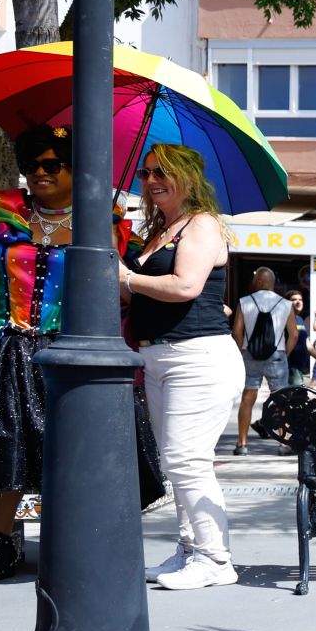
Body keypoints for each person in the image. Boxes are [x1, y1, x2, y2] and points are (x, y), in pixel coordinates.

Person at [0, 125, 159, 579]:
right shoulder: (4, 212)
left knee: (75, 451)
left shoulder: (101, 221)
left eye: (51, 165)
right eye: (31, 165)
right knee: (5, 446)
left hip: (75, 351)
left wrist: (107, 231)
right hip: (12, 348)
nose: (38, 174)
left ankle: (76, 545)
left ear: (75, 170)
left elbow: (116, 290)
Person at [121, 143, 244, 590]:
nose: (152, 180)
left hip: (198, 356)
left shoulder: (202, 224)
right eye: (147, 172)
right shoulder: (160, 230)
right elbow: (144, 292)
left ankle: (215, 559)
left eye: (163, 173)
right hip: (159, 356)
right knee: (178, 463)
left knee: (187, 460)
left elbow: (185, 285)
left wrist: (127, 278)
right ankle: (190, 550)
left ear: (189, 177)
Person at [230, 267, 298, 454]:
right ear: (272, 283)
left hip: (250, 355)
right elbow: (293, 334)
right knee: (281, 400)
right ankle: (284, 443)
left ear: (259, 282)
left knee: (248, 398)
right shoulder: (285, 304)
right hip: (277, 355)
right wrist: (285, 353)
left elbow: (237, 331)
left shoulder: (244, 302)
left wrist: (242, 351)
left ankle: (242, 444)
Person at [284, 290, 311, 387]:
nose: (298, 302)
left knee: (295, 396)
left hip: (300, 366)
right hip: (291, 366)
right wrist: (285, 357)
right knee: (297, 395)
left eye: (300, 299)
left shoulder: (300, 319)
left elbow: (306, 341)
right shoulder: (284, 318)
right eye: (294, 300)